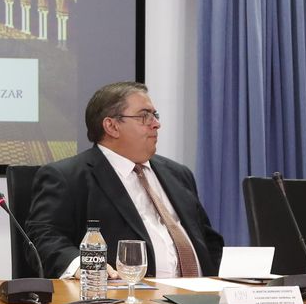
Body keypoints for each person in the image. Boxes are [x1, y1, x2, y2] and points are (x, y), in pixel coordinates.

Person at [27, 82, 224, 279]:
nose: (156, 123)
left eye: (155, 115)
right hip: (127, 298)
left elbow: (208, 242)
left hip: (203, 297)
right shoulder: (68, 177)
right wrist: (85, 265)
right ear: (111, 126)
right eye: (144, 116)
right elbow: (43, 238)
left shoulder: (178, 174)